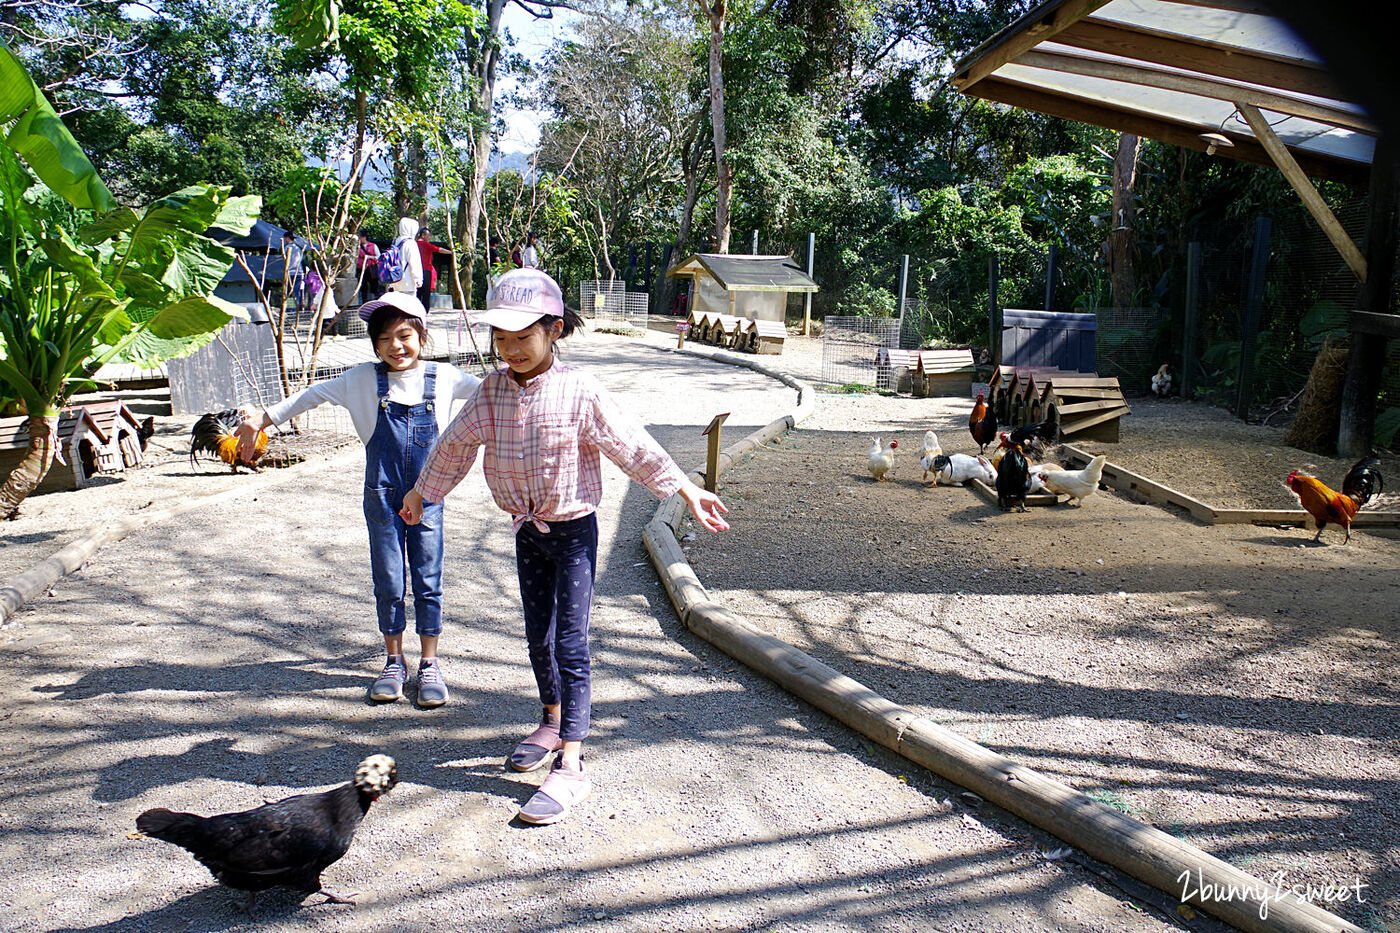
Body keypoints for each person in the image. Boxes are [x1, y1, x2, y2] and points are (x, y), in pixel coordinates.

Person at [400, 268, 729, 825]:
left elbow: (631, 444)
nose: (511, 350)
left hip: (573, 532)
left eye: (522, 337)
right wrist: (421, 492)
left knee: (570, 644)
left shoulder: (580, 390)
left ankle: (573, 763)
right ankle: (552, 720)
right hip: (526, 531)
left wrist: (682, 488)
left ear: (554, 329)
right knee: (538, 639)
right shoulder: (492, 391)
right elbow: (454, 446)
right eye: (500, 340)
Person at [234, 292, 481, 708]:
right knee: (389, 579)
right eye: (384, 339)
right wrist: (262, 418)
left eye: (405, 335)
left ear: (422, 334)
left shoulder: (447, 376)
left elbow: (495, 397)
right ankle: (393, 660)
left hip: (429, 494)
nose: (396, 346)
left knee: (428, 578)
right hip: (382, 495)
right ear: (375, 345)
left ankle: (430, 663)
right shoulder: (361, 379)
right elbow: (310, 395)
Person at [415, 228, 452, 313]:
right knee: (426, 292)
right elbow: (439, 249)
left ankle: (416, 309)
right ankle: (424, 310)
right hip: (426, 271)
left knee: (417, 291)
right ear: (423, 235)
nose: (429, 237)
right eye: (428, 235)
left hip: (416, 270)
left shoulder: (414, 244)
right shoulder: (426, 245)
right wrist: (451, 252)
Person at [388, 217, 424, 299]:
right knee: (407, 306)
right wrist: (418, 279)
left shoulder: (396, 241)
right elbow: (415, 263)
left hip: (395, 280)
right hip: (408, 282)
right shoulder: (411, 243)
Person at [282, 231, 304, 314]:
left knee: (290, 292)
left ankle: (291, 310)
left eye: (285, 238)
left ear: (287, 238)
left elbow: (286, 260)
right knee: (296, 292)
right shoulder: (298, 248)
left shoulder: (287, 248)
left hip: (291, 272)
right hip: (299, 273)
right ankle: (294, 310)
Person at [356, 230, 380, 306]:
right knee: (363, 287)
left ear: (364, 237)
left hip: (371, 269)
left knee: (374, 286)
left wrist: (370, 257)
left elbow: (379, 256)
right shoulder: (358, 247)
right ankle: (364, 303)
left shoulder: (373, 246)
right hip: (361, 269)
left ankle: (375, 302)